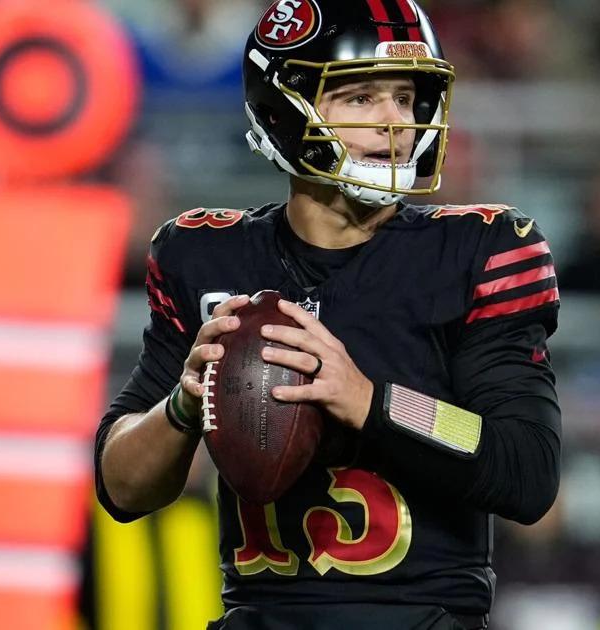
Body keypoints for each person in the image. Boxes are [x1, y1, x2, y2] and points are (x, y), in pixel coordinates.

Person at [94, 1, 562, 628]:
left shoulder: (476, 253)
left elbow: (528, 470)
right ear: (283, 107)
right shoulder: (204, 257)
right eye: (362, 97)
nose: (396, 122)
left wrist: (371, 401)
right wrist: (181, 407)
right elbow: (121, 488)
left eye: (406, 97)